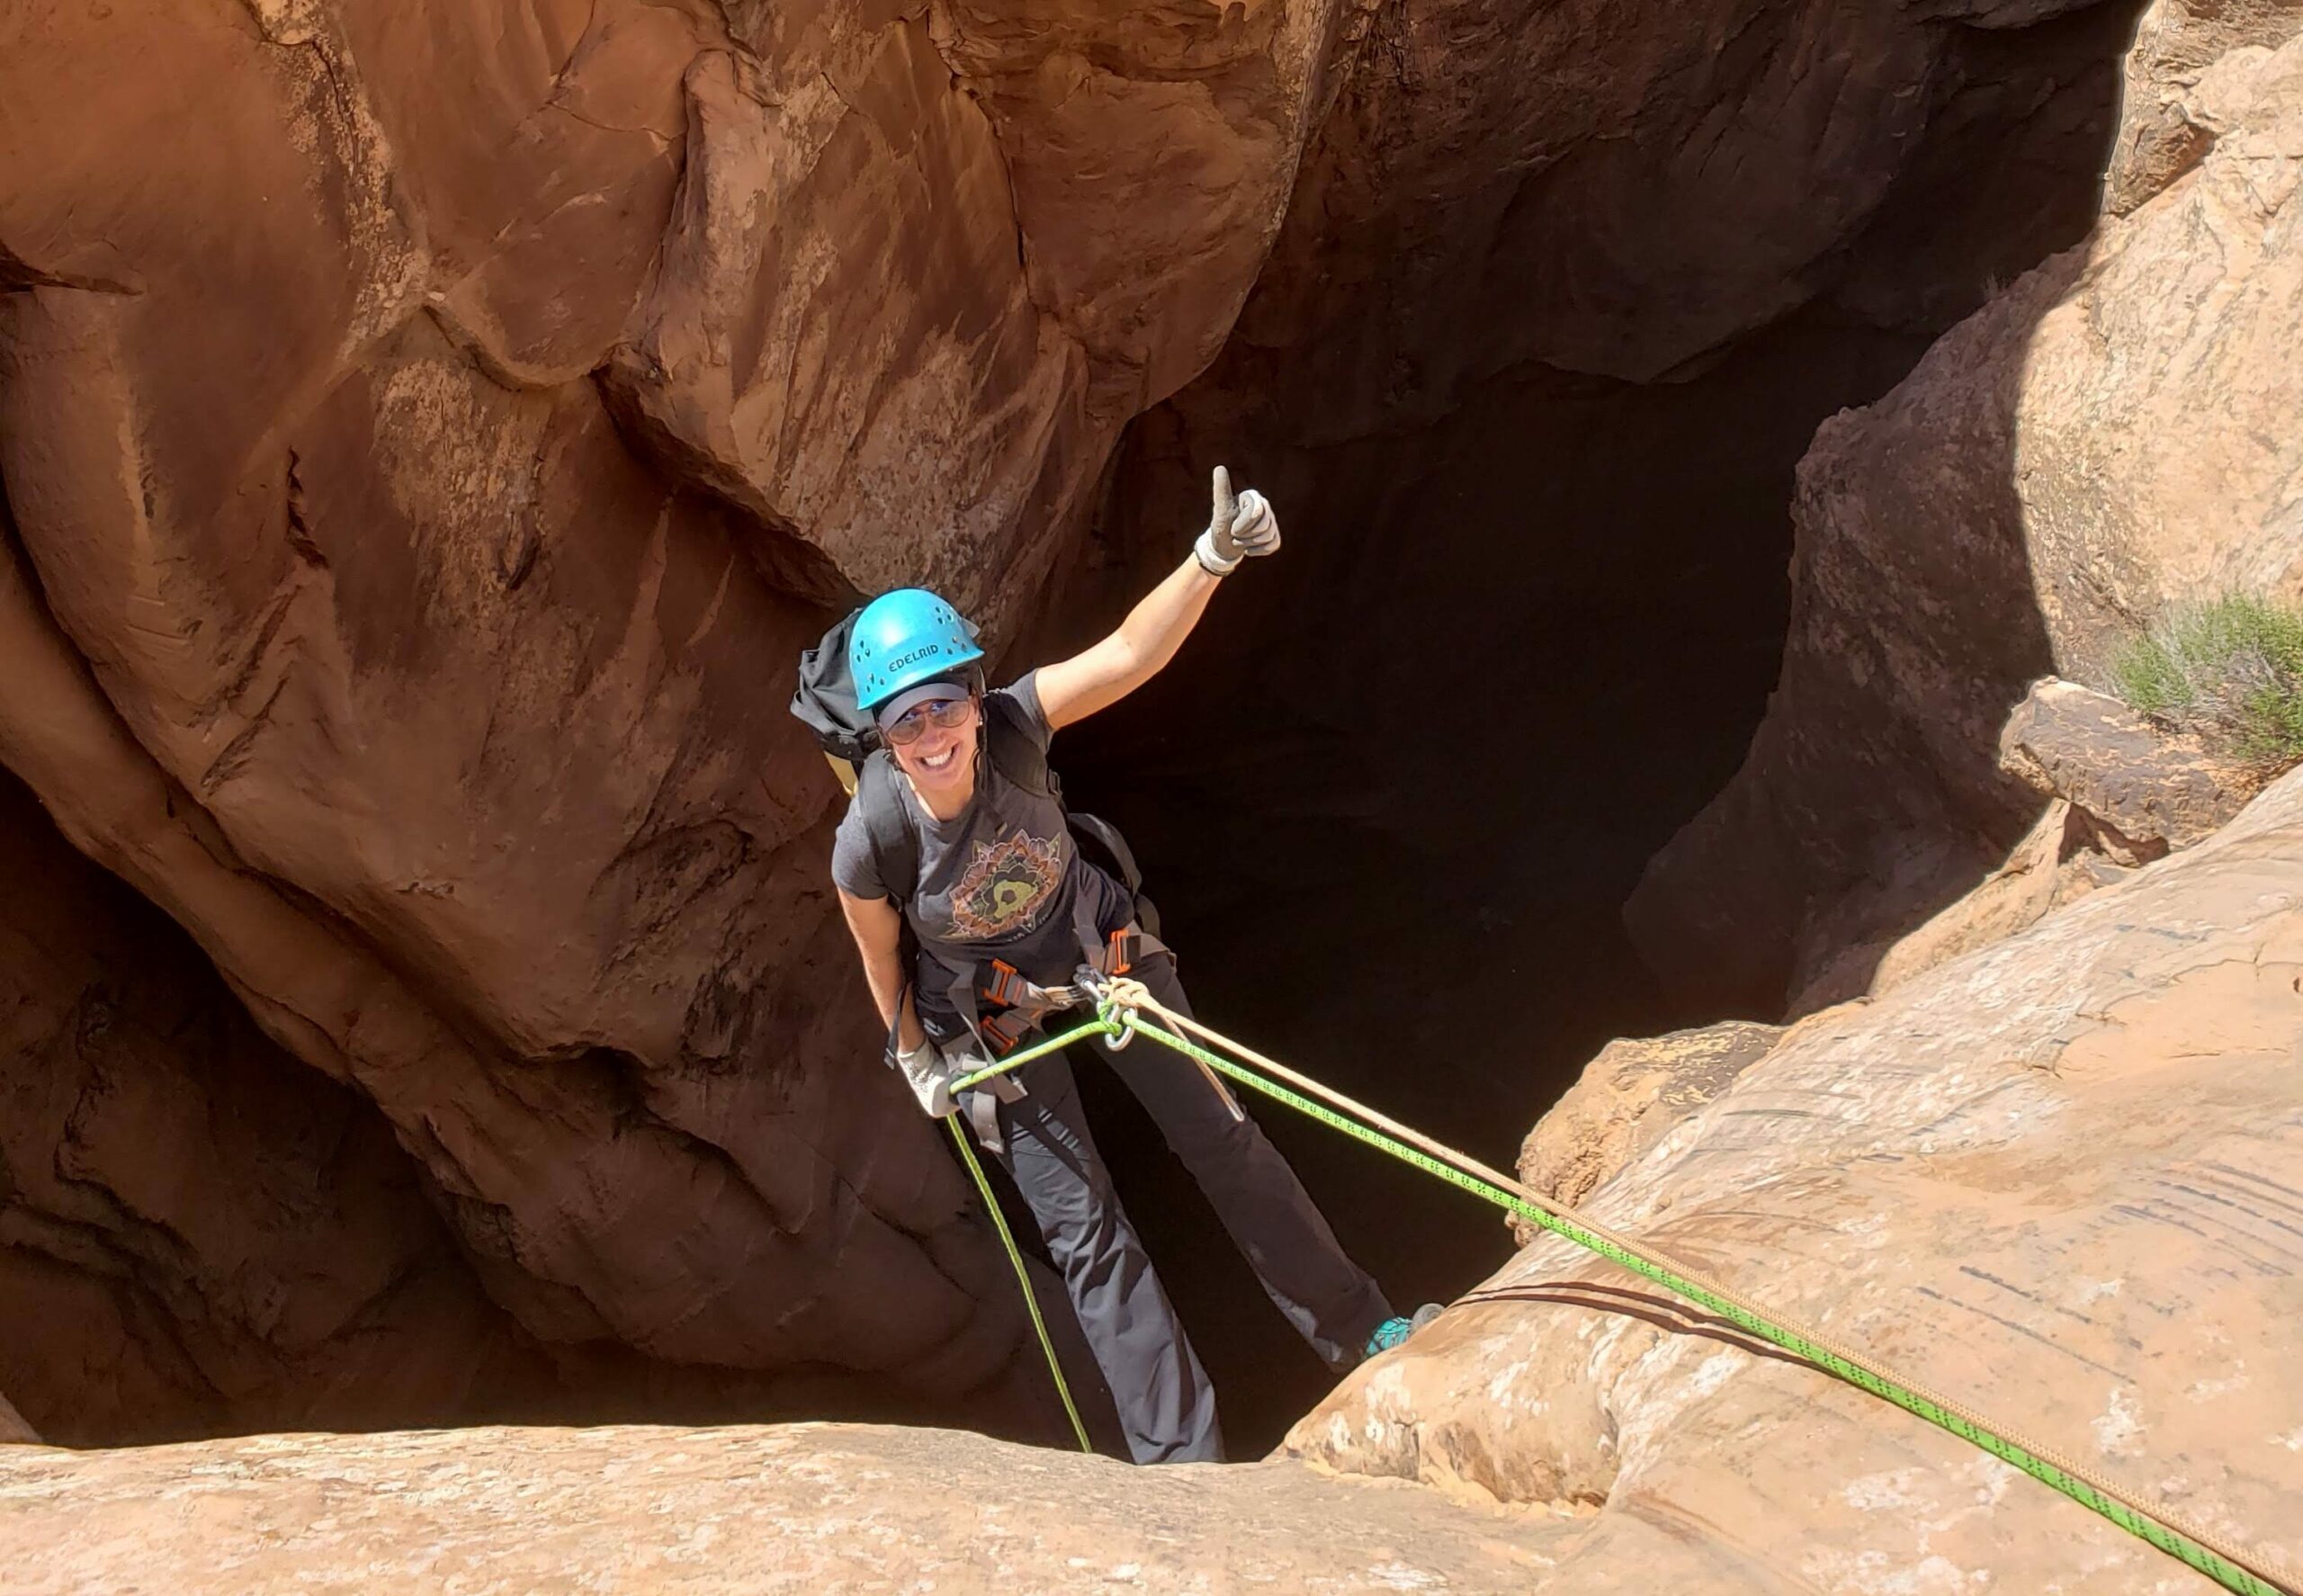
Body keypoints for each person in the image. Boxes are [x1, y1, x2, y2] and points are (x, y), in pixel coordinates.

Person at [829, 469, 1433, 1466]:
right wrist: (916, 1062)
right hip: (993, 1023)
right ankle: (1181, 1466)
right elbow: (881, 959)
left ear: (975, 701)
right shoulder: (869, 840)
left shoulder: (1020, 724)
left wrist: (1212, 558)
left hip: (1104, 959)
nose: (930, 736)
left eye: (942, 708)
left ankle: (1359, 1330)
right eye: (905, 723)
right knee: (1088, 1236)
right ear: (883, 742)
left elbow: (1126, 653)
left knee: (1225, 1142)